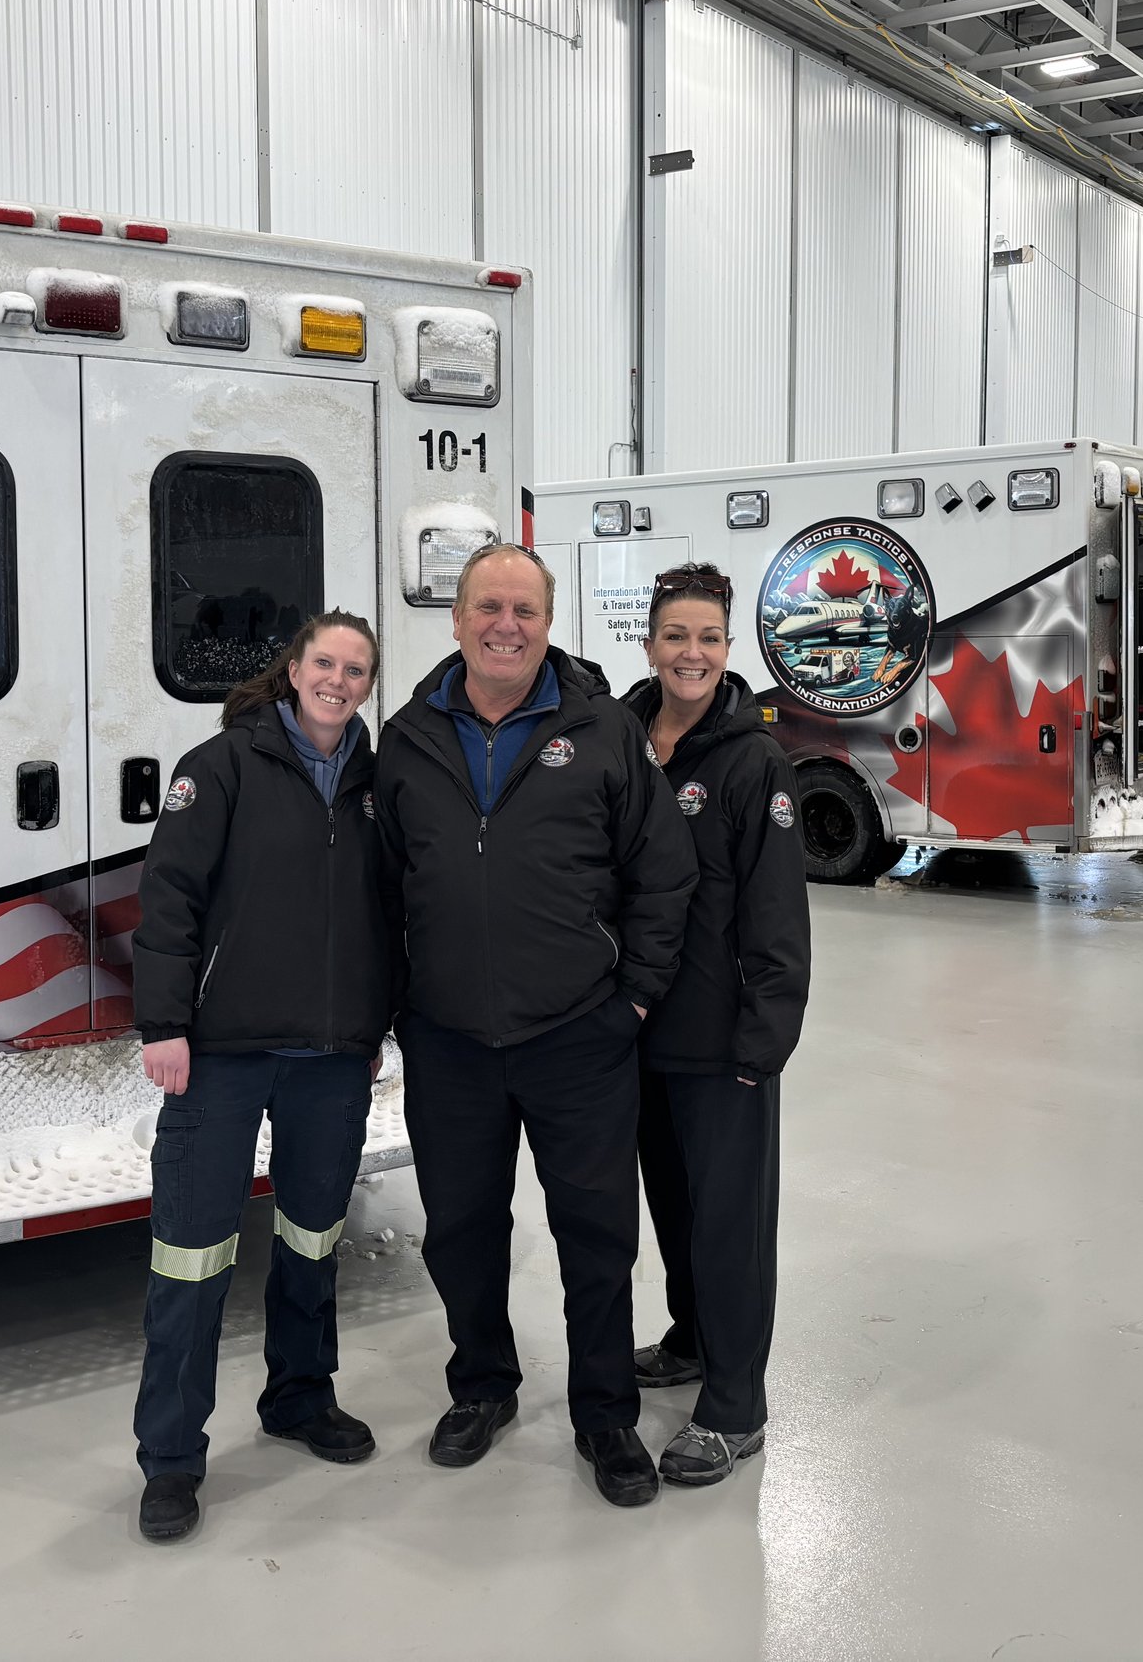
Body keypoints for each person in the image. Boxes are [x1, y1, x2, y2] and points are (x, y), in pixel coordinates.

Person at [373, 543, 698, 1507]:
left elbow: (663, 873)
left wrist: (631, 998)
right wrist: (399, 1006)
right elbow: (382, 883)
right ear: (459, 618)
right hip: (448, 1039)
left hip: (577, 1036)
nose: (504, 625)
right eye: (487, 607)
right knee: (461, 1230)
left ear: (550, 621)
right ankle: (482, 1386)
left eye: (523, 608)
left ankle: (605, 1414)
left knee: (594, 1232)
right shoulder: (407, 736)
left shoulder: (601, 730)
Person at [127, 611, 396, 1543]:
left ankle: (299, 1396)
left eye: (355, 668)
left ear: (368, 683)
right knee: (192, 1254)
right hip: (223, 1053)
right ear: (292, 669)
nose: (338, 679)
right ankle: (170, 1458)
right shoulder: (224, 765)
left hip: (331, 1057)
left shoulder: (376, 781)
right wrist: (165, 1021)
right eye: (324, 661)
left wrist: (372, 1022)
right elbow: (169, 897)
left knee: (315, 1237)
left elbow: (389, 913)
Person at [623, 564, 811, 1486]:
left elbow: (777, 914)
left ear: (728, 650)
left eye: (707, 637)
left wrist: (766, 1037)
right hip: (638, 1033)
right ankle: (691, 1340)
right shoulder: (624, 737)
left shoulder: (752, 759)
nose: (690, 653)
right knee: (678, 1209)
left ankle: (736, 1408)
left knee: (732, 1224)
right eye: (674, 636)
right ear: (649, 642)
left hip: (722, 1039)